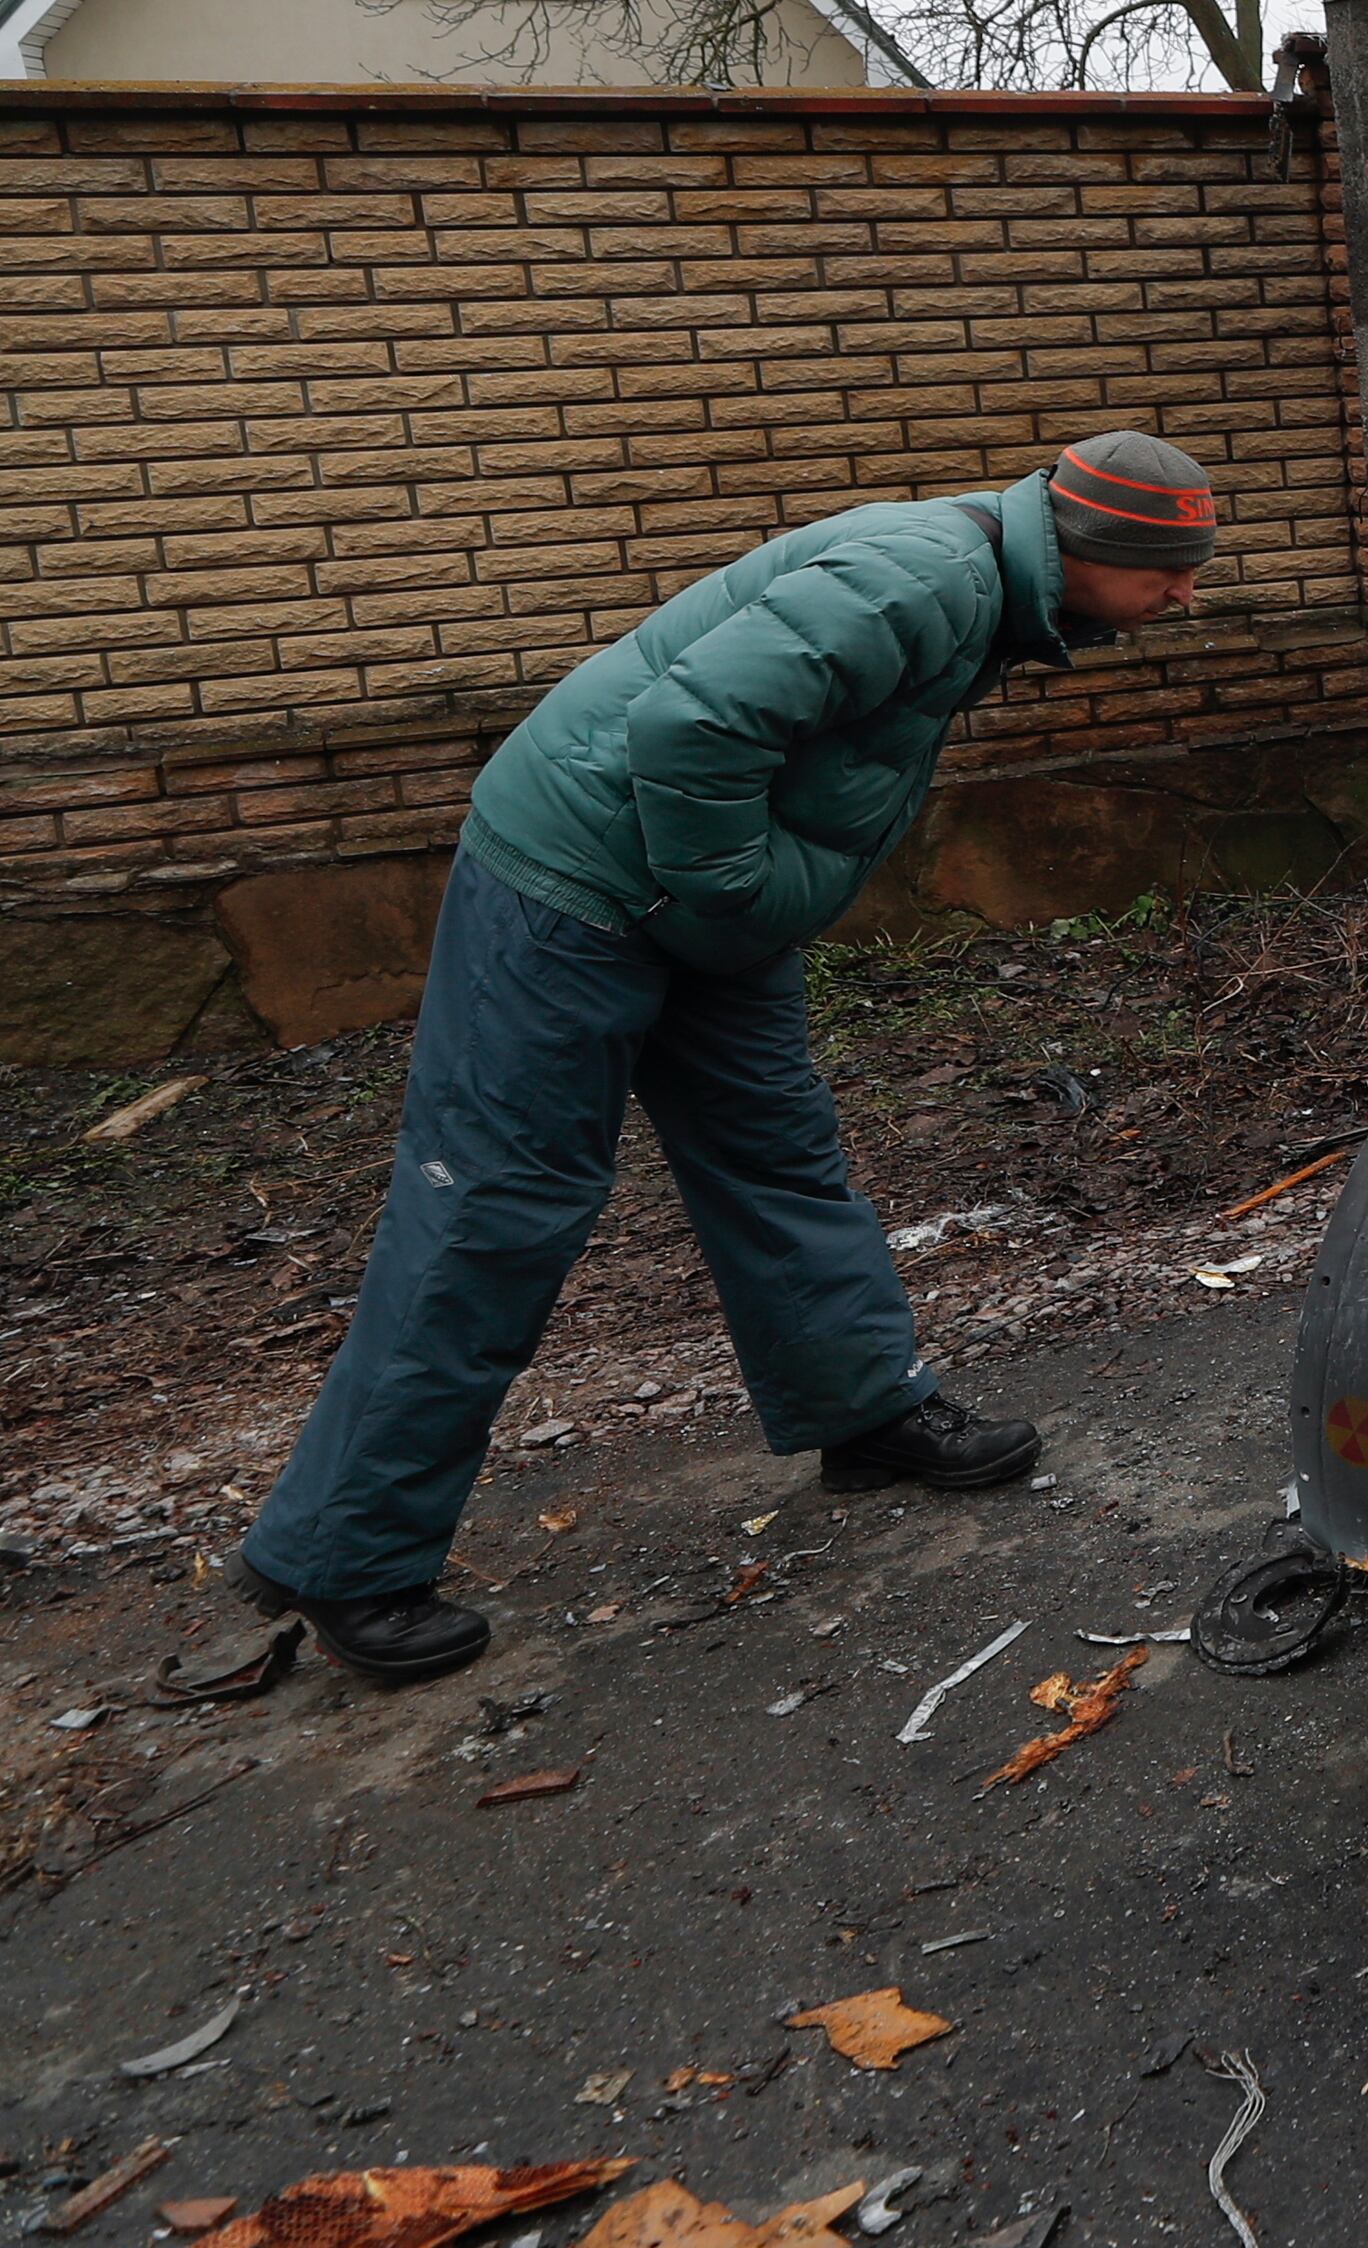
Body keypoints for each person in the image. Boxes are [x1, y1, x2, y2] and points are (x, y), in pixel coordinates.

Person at [235, 433, 1224, 1682]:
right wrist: (729, 895)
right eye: (1170, 573)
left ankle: (864, 1409)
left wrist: (730, 905)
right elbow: (690, 725)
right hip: (577, 890)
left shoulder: (983, 585)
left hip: (699, 899)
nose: (1188, 599)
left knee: (777, 1149)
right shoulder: (925, 575)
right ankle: (340, 1552)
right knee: (494, 1209)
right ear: (1091, 552)